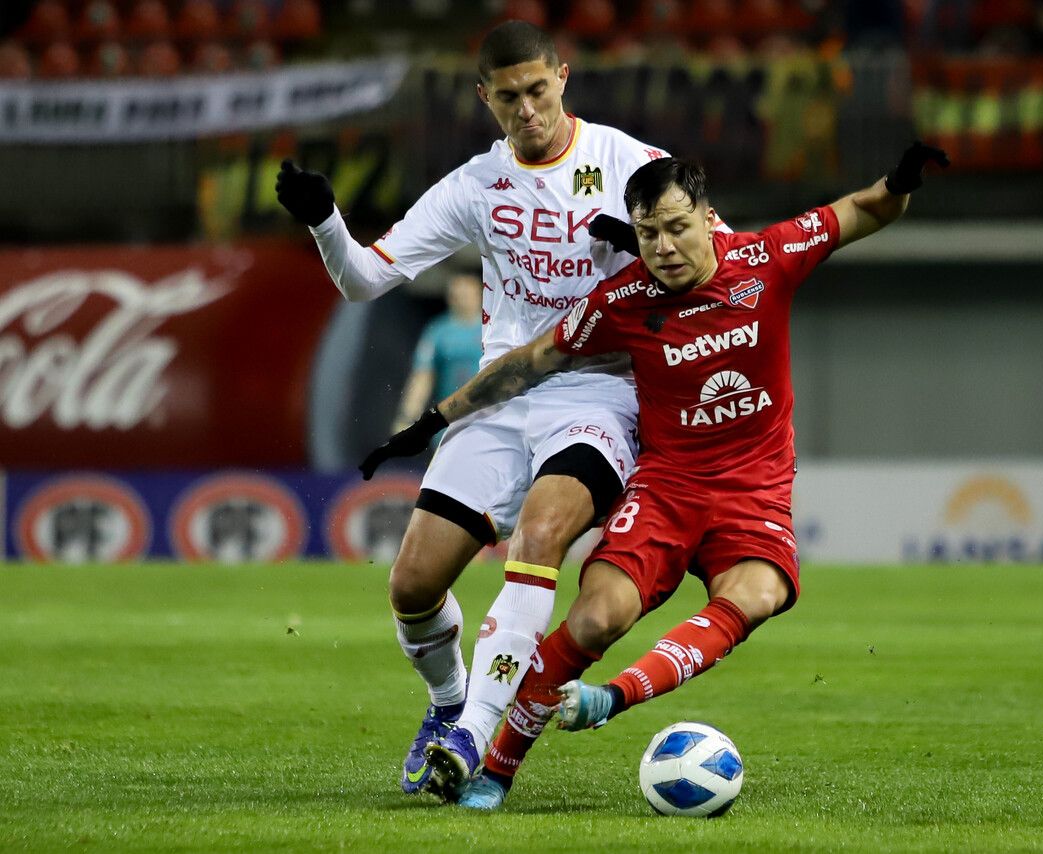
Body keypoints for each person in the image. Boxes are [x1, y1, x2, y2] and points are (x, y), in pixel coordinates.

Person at [363, 145, 948, 810]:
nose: (664, 248)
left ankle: (609, 699)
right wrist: (435, 419)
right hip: (667, 488)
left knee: (758, 592)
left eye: (676, 228)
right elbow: (532, 359)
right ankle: (496, 769)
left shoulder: (767, 259)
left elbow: (863, 209)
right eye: (647, 234)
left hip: (752, 492)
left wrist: (900, 180)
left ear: (708, 217)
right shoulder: (621, 300)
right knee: (595, 618)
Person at [275, 20, 677, 799]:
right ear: (484, 97)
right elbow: (364, 279)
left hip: (599, 393)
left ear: (563, 78)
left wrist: (646, 244)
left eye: (539, 90)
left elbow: (719, 260)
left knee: (541, 534)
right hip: (503, 394)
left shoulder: (629, 162)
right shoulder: (474, 186)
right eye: (509, 97)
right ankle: (449, 702)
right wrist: (325, 222)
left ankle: (474, 735)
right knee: (412, 586)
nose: (527, 110)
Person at [392, 273, 484, 438]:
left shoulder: (493, 328)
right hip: (449, 419)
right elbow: (423, 376)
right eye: (457, 296)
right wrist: (408, 416)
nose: (462, 300)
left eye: (467, 295)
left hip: (488, 416)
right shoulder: (438, 331)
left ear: (479, 295)